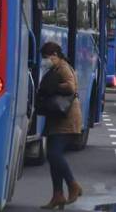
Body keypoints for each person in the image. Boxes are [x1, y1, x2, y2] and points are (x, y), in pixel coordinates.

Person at [37, 42, 83, 210]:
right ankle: (58, 195)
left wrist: (53, 87)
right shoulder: (55, 69)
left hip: (66, 118)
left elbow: (71, 86)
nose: (45, 61)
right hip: (57, 118)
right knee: (52, 155)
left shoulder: (63, 67)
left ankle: (73, 185)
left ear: (55, 54)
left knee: (55, 154)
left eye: (47, 57)